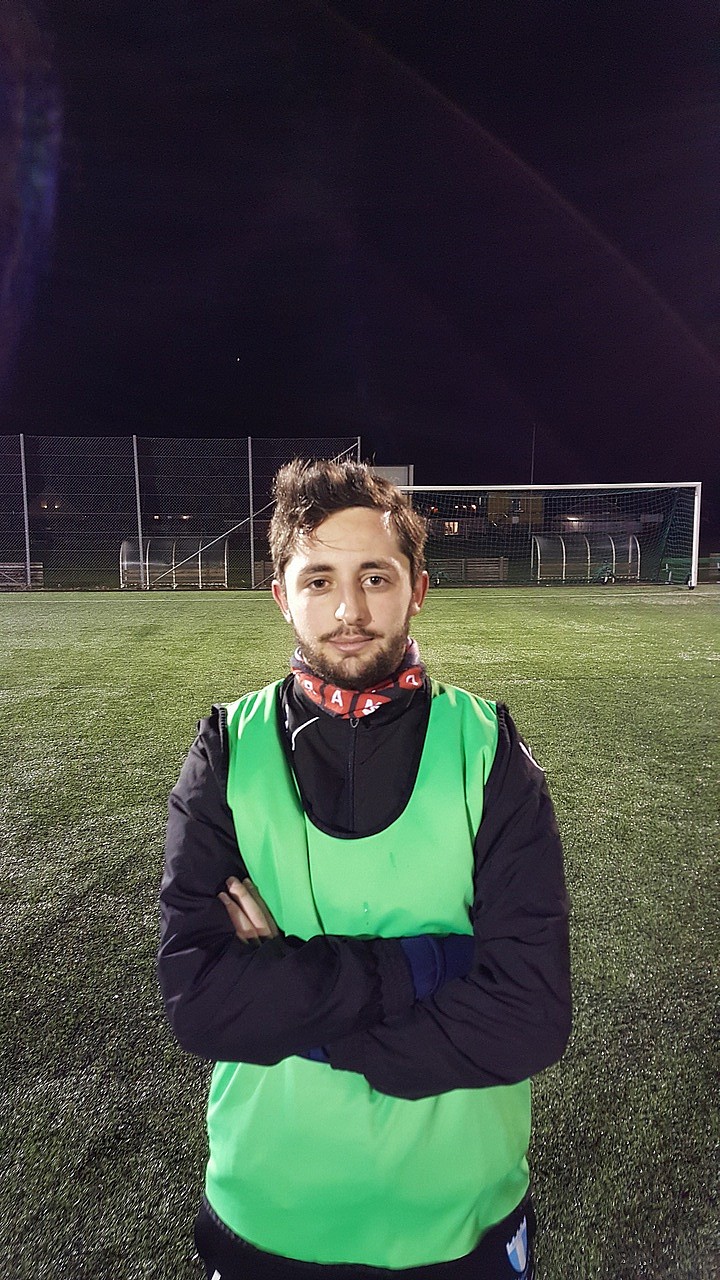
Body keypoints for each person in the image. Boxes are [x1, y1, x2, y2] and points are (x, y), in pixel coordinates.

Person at [158, 458, 571, 1280]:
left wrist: (290, 1001)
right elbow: (200, 1003)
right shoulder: (226, 748)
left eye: (375, 577)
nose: (349, 610)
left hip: (459, 1216)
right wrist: (436, 964)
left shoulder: (487, 749)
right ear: (282, 595)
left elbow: (530, 1016)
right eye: (319, 580)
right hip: (267, 1210)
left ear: (418, 589)